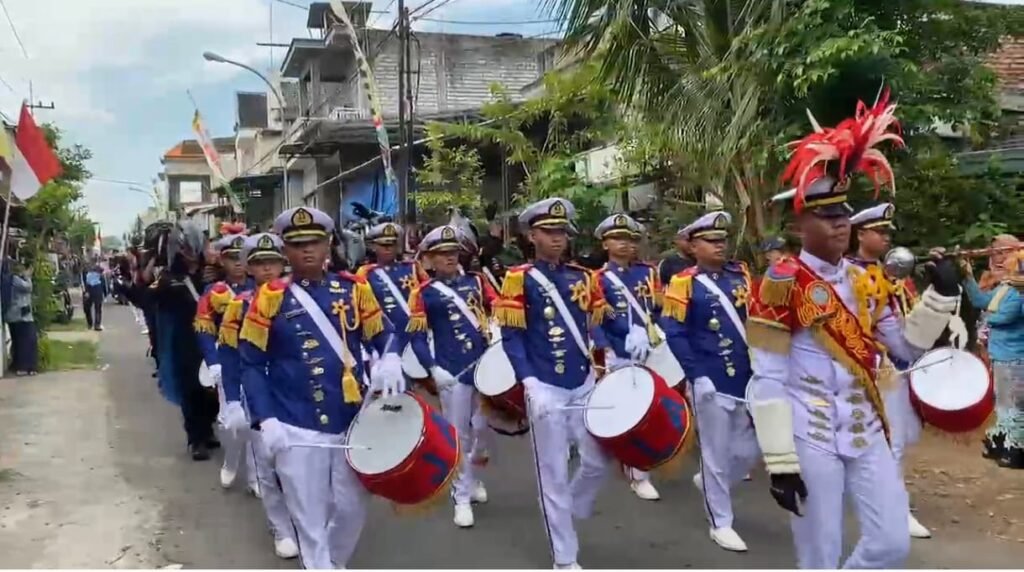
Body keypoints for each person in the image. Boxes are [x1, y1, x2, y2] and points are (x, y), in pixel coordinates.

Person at [746, 94, 962, 569]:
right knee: (818, 554)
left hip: (866, 427)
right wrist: (780, 460)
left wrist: (941, 297)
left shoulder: (867, 280)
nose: (839, 223)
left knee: (891, 544)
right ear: (800, 223)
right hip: (810, 432)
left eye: (843, 212)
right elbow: (767, 376)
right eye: (826, 215)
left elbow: (905, 348)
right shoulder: (782, 283)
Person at [238, 206, 405, 569]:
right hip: (296, 420)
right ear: (286, 250)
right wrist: (265, 419)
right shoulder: (270, 297)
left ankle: (333, 561)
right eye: (297, 244)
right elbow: (251, 363)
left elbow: (386, 334)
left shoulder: (353, 288)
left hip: (350, 419)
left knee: (351, 508)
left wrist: (391, 358)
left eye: (314, 242)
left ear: (328, 244)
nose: (307, 250)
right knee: (309, 516)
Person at [495, 197, 611, 569]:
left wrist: (609, 356)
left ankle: (569, 507)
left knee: (598, 459)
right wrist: (529, 382)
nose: (557, 238)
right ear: (532, 236)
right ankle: (565, 556)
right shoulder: (520, 278)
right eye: (548, 231)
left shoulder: (582, 276)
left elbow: (594, 324)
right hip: (545, 384)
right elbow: (512, 337)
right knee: (553, 475)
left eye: (561, 231)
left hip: (582, 380)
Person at [660, 211, 758, 552]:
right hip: (711, 377)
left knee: (748, 450)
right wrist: (696, 376)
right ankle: (721, 522)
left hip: (747, 376)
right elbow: (675, 333)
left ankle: (709, 485)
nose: (719, 246)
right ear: (693, 246)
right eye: (711, 241)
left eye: (722, 240)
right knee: (715, 453)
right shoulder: (684, 283)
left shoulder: (740, 275)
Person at [846, 203, 930, 538]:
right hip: (861, 367)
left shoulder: (887, 275)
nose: (885, 238)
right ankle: (895, 510)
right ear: (860, 234)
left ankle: (881, 500)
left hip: (890, 366)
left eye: (887, 233)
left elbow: (900, 328)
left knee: (899, 437)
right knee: (888, 439)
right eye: (879, 232)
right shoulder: (848, 274)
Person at [406, 224, 497, 528]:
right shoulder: (423, 293)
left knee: (483, 430)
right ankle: (461, 496)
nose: (449, 257)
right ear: (430, 259)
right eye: (442, 253)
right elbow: (417, 337)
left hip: (483, 367)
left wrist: (496, 331)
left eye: (453, 252)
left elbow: (497, 308)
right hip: (452, 370)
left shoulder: (477, 281)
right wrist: (433, 368)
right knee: (459, 435)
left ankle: (473, 478)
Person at [217, 232, 299, 559]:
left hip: (296, 391)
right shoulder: (239, 305)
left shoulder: (298, 297)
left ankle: (304, 519)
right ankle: (280, 527)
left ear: (283, 263)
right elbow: (229, 354)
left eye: (273, 262)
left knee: (300, 461)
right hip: (258, 390)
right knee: (267, 463)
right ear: (249, 268)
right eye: (259, 263)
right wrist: (232, 401)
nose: (267, 269)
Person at [590, 213, 663, 502]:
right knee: (627, 410)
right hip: (619, 351)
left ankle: (639, 463)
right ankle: (637, 473)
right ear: (605, 244)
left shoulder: (648, 273)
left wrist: (658, 335)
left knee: (650, 410)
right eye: (618, 239)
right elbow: (595, 319)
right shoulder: (598, 278)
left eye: (631, 239)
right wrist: (605, 348)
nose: (625, 244)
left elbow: (658, 310)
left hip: (650, 350)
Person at [152, 221, 219, 461]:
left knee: (213, 389)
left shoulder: (212, 272)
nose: (189, 253)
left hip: (212, 338)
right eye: (184, 248)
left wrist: (218, 274)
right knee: (191, 389)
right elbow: (151, 298)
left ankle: (208, 427)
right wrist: (166, 287)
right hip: (185, 340)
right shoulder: (169, 276)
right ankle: (196, 439)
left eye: (193, 248)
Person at [194, 233, 256, 490]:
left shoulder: (263, 289)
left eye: (242, 258)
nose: (238, 263)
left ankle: (255, 475)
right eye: (232, 258)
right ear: (223, 261)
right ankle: (230, 462)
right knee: (232, 421)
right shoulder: (215, 291)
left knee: (257, 419)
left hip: (257, 359)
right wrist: (213, 362)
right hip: (227, 359)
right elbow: (203, 328)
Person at [963, 244, 1024, 470]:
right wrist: (968, 277)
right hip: (1001, 354)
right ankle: (1003, 443)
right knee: (1003, 402)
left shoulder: (1018, 293)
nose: (1001, 269)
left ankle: (1016, 449)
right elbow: (980, 301)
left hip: (1015, 356)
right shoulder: (1006, 289)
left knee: (1014, 404)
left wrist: (987, 318)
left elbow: (1003, 317)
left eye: (1006, 267)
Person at [6, 263, 38, 375]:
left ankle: (24, 366)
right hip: (20, 316)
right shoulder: (15, 279)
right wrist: (28, 277)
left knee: (21, 342)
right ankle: (23, 367)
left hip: (18, 315)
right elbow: (28, 288)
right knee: (26, 342)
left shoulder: (13, 279)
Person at [81, 258, 108, 331]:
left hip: (90, 289)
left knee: (88, 308)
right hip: (96, 289)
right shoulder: (98, 270)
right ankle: (96, 325)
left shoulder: (86, 271)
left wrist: (85, 291)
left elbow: (83, 282)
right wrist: (105, 293)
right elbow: (103, 283)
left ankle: (90, 324)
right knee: (97, 308)